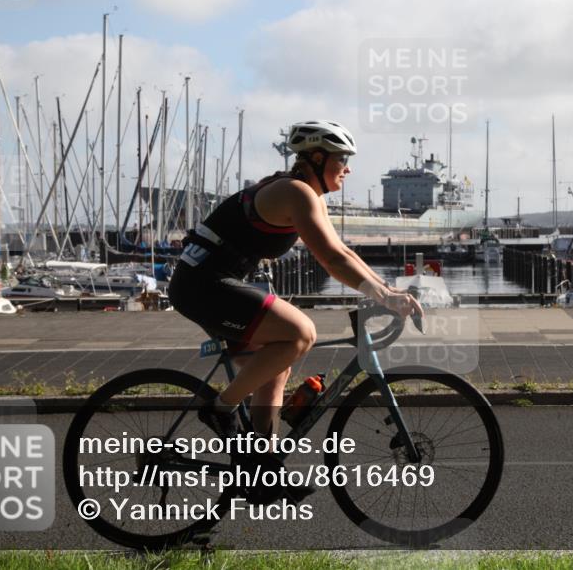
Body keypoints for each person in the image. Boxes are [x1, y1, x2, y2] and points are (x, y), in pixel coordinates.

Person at [168, 120, 423, 441]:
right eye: (342, 159)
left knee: (276, 368)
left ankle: (263, 464)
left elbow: (342, 250)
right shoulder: (294, 192)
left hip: (207, 284)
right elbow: (332, 260)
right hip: (204, 286)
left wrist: (387, 290)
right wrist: (386, 298)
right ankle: (220, 409)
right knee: (301, 333)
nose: (348, 169)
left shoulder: (303, 192)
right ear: (317, 158)